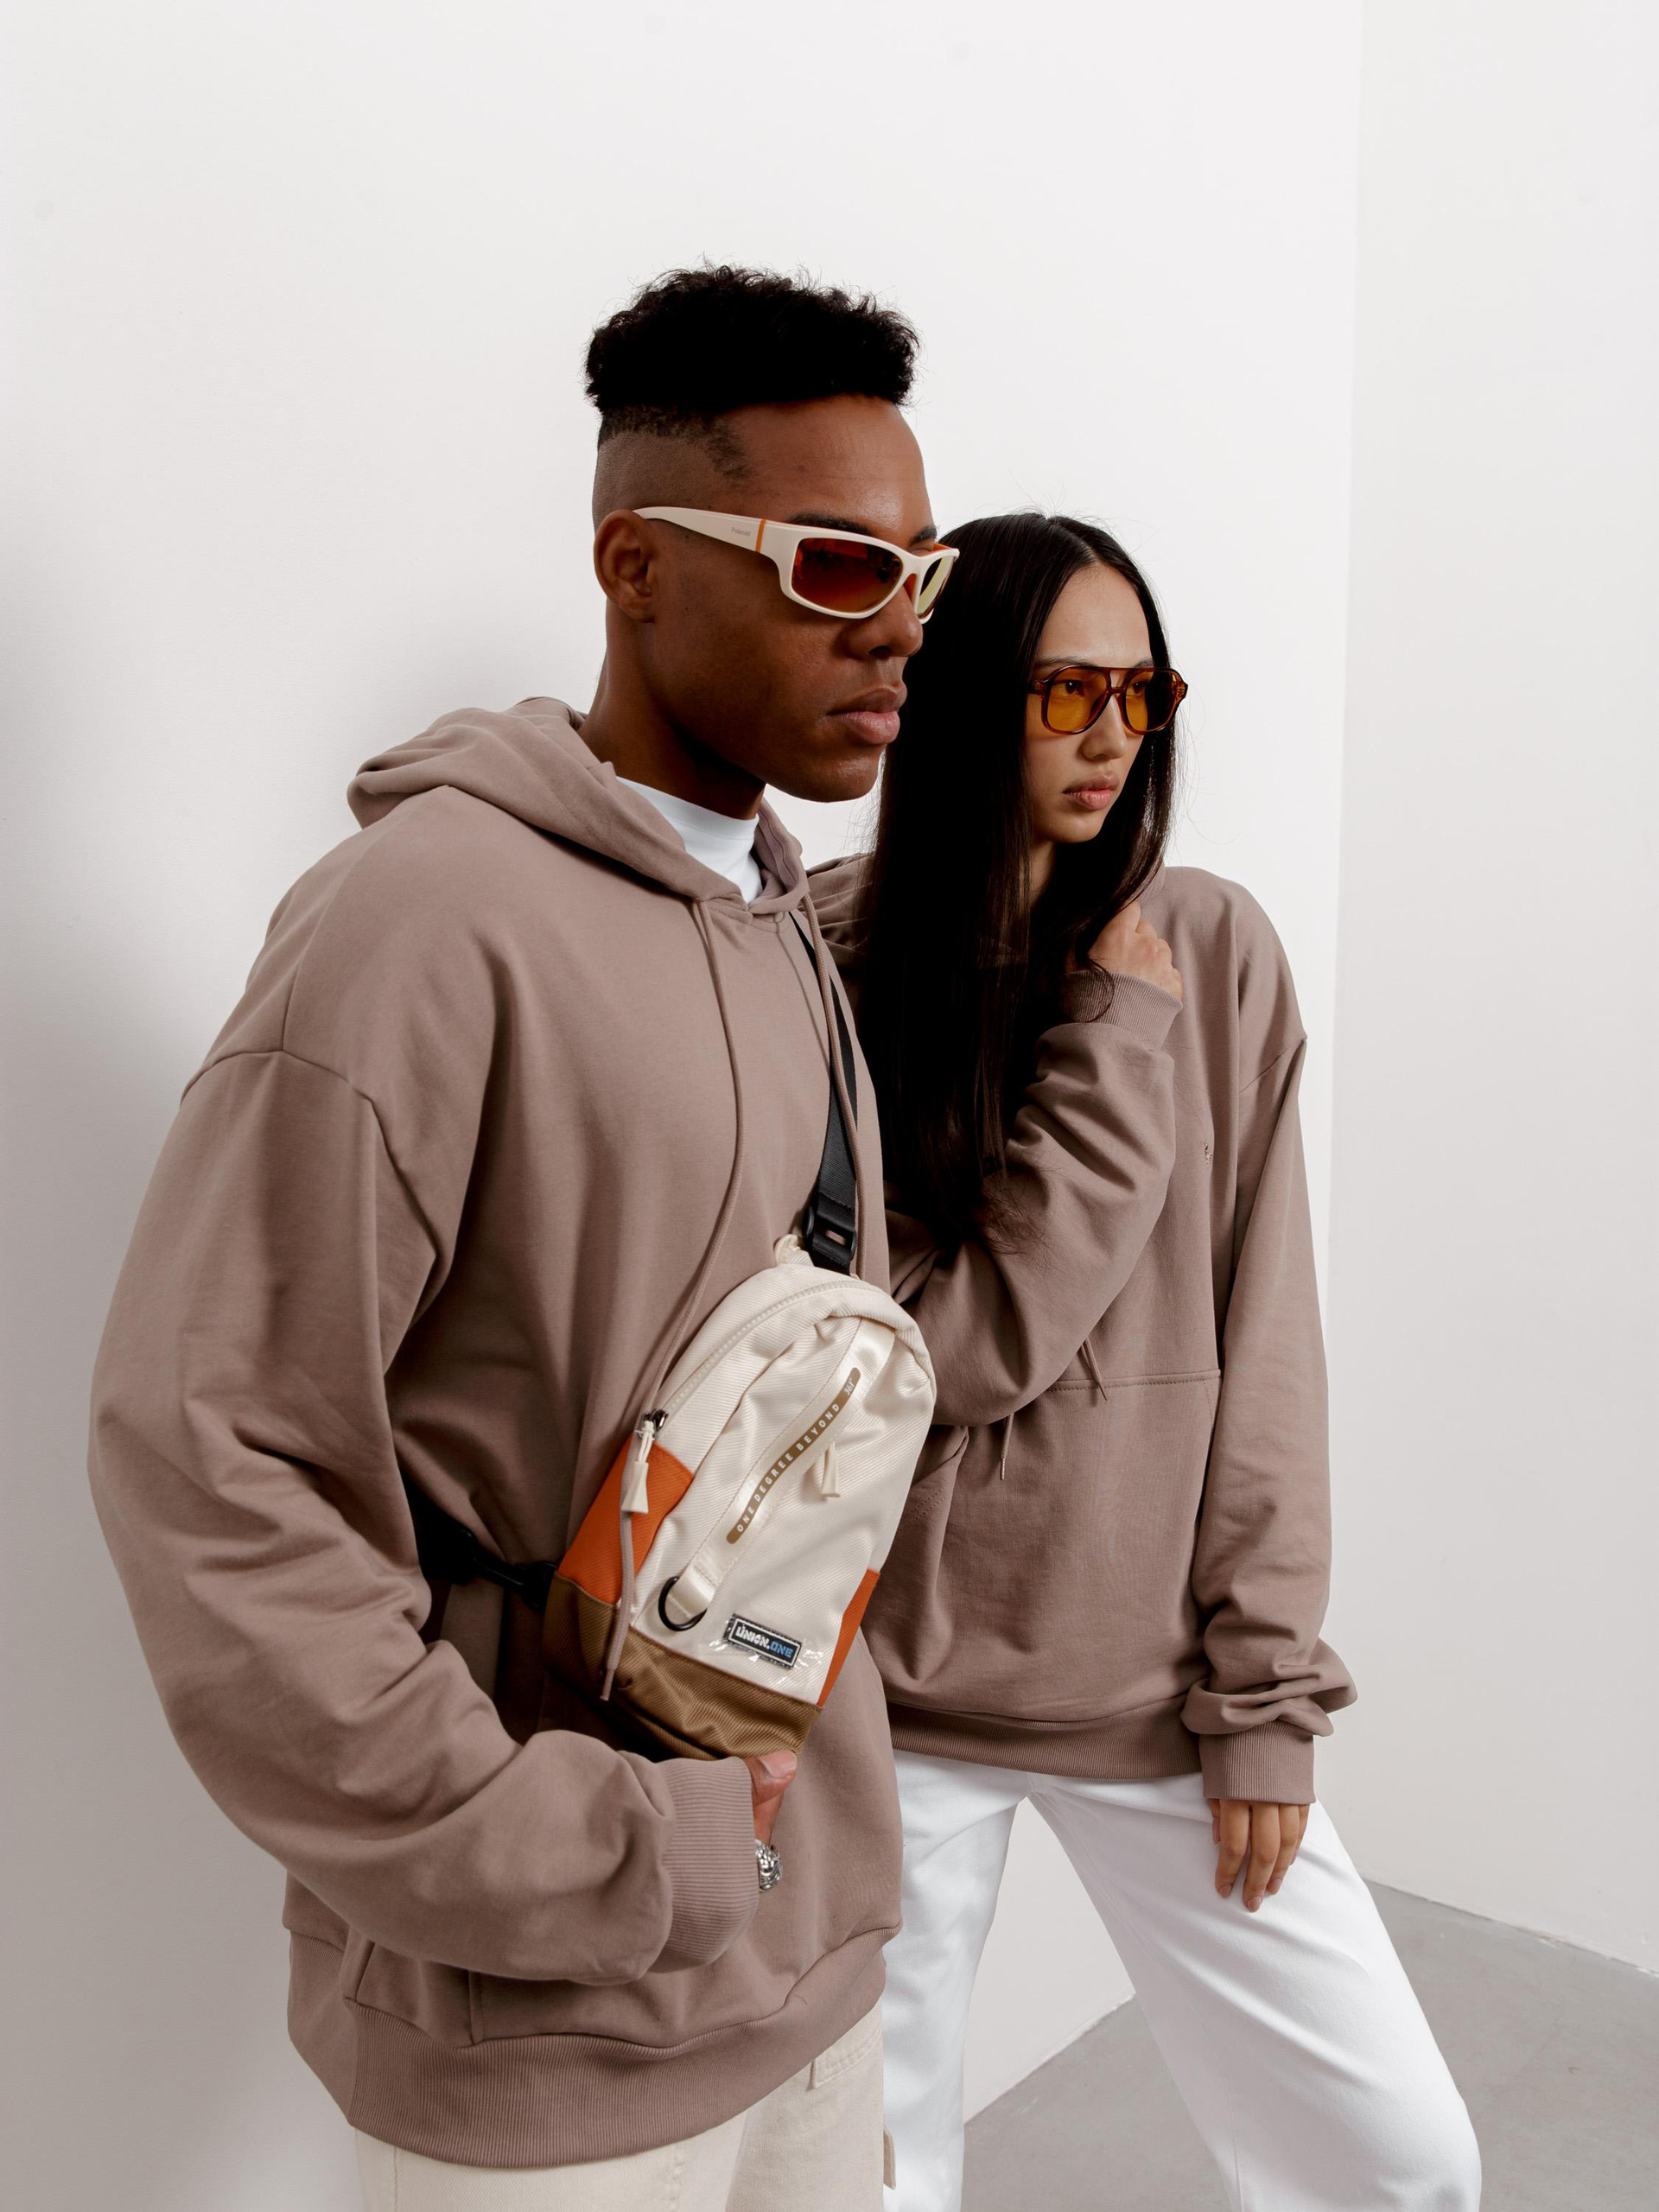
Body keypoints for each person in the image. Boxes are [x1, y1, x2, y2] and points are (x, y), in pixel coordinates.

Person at [88, 266, 955, 2211]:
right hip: (544, 2024)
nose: (899, 625)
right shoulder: (420, 919)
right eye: (837, 567)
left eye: (921, 569)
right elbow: (209, 1452)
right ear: (636, 565)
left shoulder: (781, 925)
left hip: (805, 1966)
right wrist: (562, 1847)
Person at [810, 512, 1483, 2212]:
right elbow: (940, 1357)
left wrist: (1263, 1701)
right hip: (886, 1701)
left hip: (1162, 1695)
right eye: (1064, 693)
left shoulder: (1213, 949)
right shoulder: (831, 962)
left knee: (1401, 2160)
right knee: (871, 2183)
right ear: (959, 702)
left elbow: (1271, 1341)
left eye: (1143, 690)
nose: (1114, 735)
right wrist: (1112, 1044)